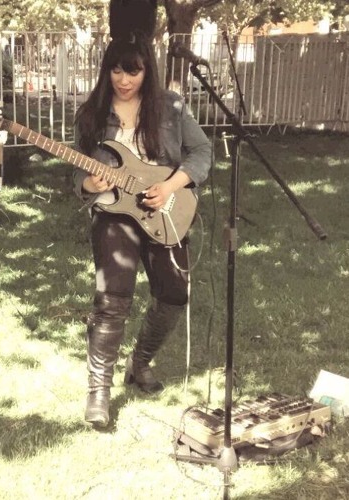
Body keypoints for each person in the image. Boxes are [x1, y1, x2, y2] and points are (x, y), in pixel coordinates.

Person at [73, 33, 211, 427]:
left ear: (147, 71)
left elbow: (202, 151)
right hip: (113, 212)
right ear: (107, 71)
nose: (124, 80)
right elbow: (78, 168)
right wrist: (88, 183)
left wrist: (170, 186)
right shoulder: (92, 114)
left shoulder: (170, 106)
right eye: (116, 70)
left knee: (174, 293)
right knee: (112, 299)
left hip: (162, 206)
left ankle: (139, 362)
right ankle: (99, 391)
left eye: (133, 71)